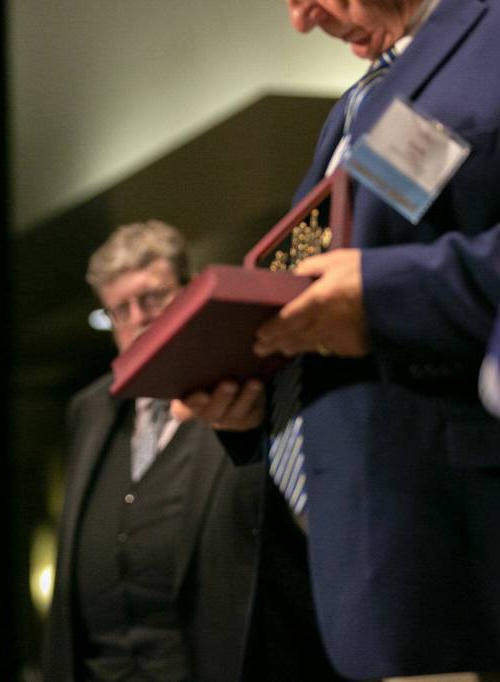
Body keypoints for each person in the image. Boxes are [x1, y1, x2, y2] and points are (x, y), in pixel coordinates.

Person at [176, 0, 500, 678]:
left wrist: (383, 296)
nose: (300, 20)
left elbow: (376, 285)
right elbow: (336, 283)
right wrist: (249, 398)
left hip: (458, 547)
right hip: (364, 566)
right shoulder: (360, 106)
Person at [43, 221, 285, 682]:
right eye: (120, 309)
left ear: (189, 292)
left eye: (152, 298)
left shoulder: (243, 391)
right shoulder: (90, 410)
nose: (139, 318)